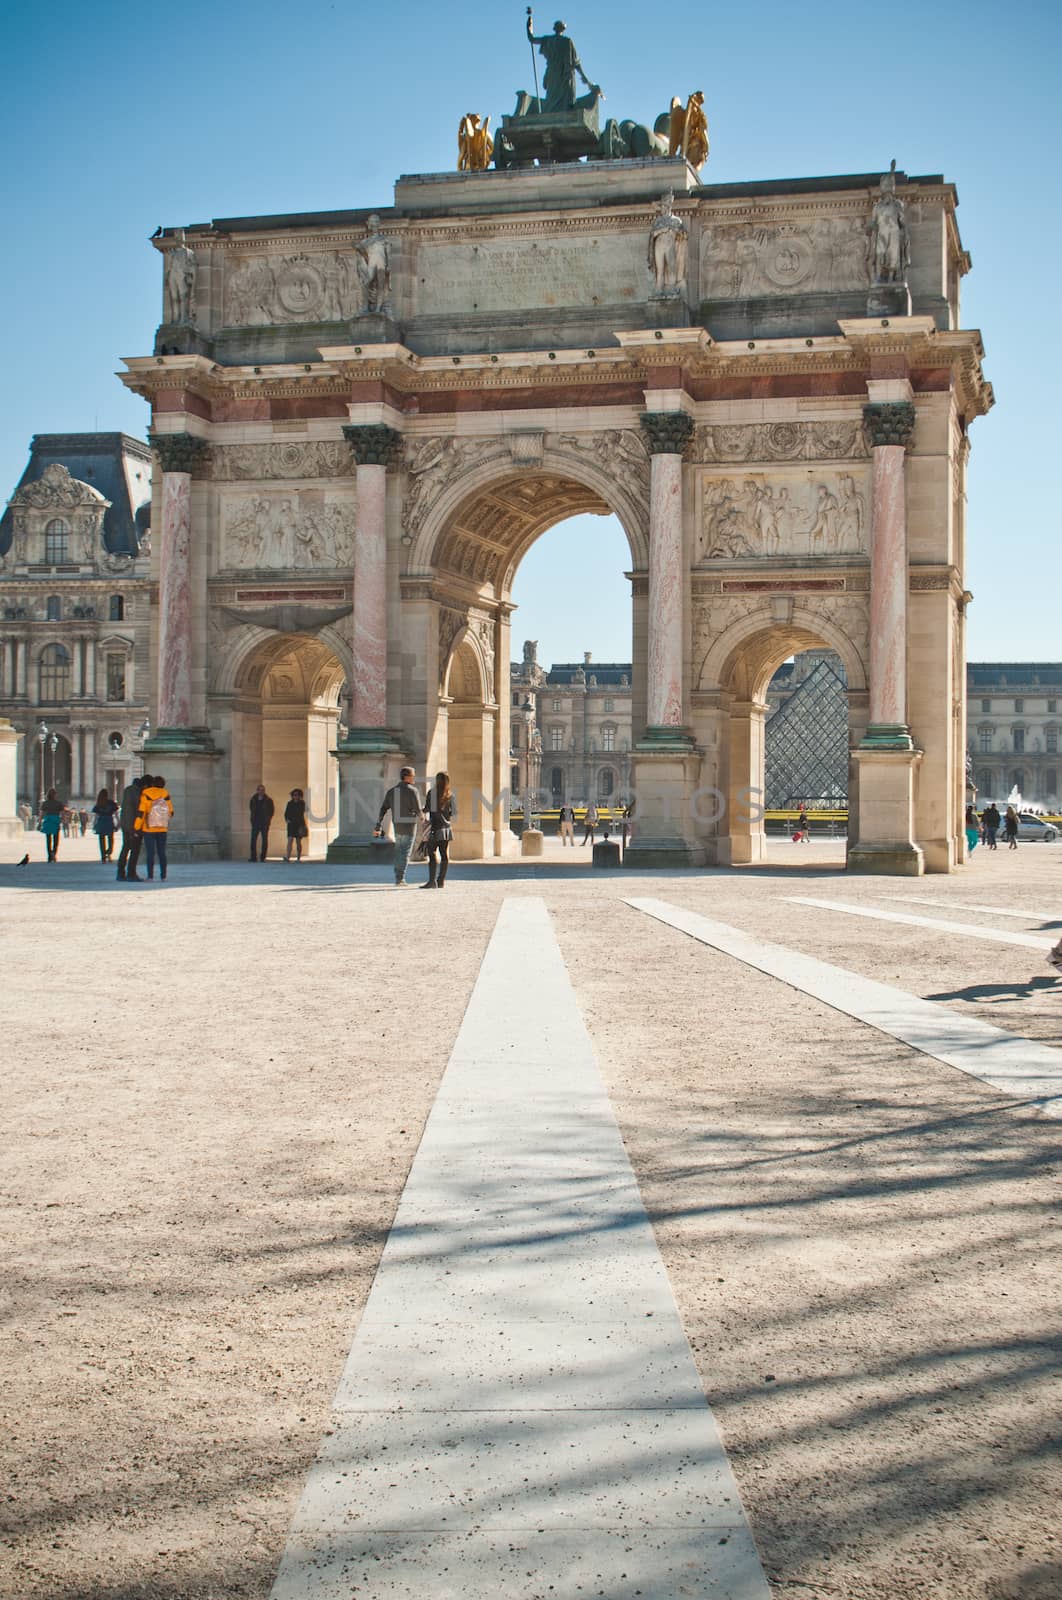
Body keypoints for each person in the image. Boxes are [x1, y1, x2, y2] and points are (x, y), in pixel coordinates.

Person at [525, 17, 595, 114]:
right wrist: (584, 77)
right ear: (563, 29)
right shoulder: (567, 41)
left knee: (552, 100)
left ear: (555, 28)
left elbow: (531, 39)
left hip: (553, 73)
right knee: (563, 103)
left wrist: (529, 27)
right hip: (564, 75)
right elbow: (576, 63)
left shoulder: (548, 40)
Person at [374, 767, 425, 886]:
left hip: (397, 824)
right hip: (409, 826)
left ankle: (398, 876)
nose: (414, 778)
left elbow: (383, 808)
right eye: (413, 775)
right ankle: (400, 878)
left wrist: (378, 824)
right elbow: (418, 809)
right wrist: (422, 817)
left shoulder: (392, 791)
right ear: (407, 777)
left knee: (399, 851)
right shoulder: (413, 791)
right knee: (405, 852)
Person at [135, 775, 174, 880]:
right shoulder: (165, 794)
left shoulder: (146, 793)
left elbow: (141, 812)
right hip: (162, 828)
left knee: (150, 853)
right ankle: (163, 876)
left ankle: (150, 876)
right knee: (162, 853)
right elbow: (171, 812)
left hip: (149, 828)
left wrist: (137, 827)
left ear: (152, 783)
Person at [423, 770, 455, 888]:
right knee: (444, 854)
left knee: (431, 853)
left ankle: (432, 881)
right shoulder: (450, 795)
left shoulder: (432, 793)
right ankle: (441, 881)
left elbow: (427, 808)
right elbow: (453, 812)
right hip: (446, 828)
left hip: (435, 827)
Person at [116, 776, 145, 881]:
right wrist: (135, 829)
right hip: (133, 827)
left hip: (126, 826)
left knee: (125, 849)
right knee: (134, 851)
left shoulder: (128, 792)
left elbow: (126, 812)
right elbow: (135, 812)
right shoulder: (137, 794)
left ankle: (120, 873)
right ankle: (131, 873)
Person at [92, 787, 119, 862]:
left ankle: (103, 856)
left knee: (101, 839)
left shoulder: (98, 804)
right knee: (110, 839)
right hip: (109, 821)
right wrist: (118, 823)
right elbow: (116, 814)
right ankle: (109, 852)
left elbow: (96, 816)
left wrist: (94, 825)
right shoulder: (111, 803)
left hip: (101, 821)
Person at [249, 783, 274, 862]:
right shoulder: (253, 799)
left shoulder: (268, 800)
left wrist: (268, 819)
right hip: (255, 822)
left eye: (263, 790)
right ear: (257, 791)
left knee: (264, 840)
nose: (261, 792)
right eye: (260, 790)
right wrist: (252, 819)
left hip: (264, 822)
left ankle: (263, 857)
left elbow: (271, 811)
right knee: (253, 840)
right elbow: (251, 808)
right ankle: (253, 857)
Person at [38, 788, 63, 862]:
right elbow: (62, 813)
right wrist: (62, 819)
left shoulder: (45, 803)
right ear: (55, 795)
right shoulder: (58, 803)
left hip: (48, 820)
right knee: (56, 839)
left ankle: (49, 856)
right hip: (55, 820)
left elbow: (42, 814)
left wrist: (39, 822)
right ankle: (54, 854)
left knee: (48, 839)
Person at [284, 789, 308, 861]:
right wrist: (287, 819)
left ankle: (298, 857)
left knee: (298, 841)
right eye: (294, 795)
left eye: (297, 795)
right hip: (291, 824)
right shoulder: (289, 803)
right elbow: (286, 813)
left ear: (300, 796)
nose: (296, 796)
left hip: (299, 824)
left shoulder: (302, 803)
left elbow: (301, 813)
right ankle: (288, 856)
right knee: (290, 840)